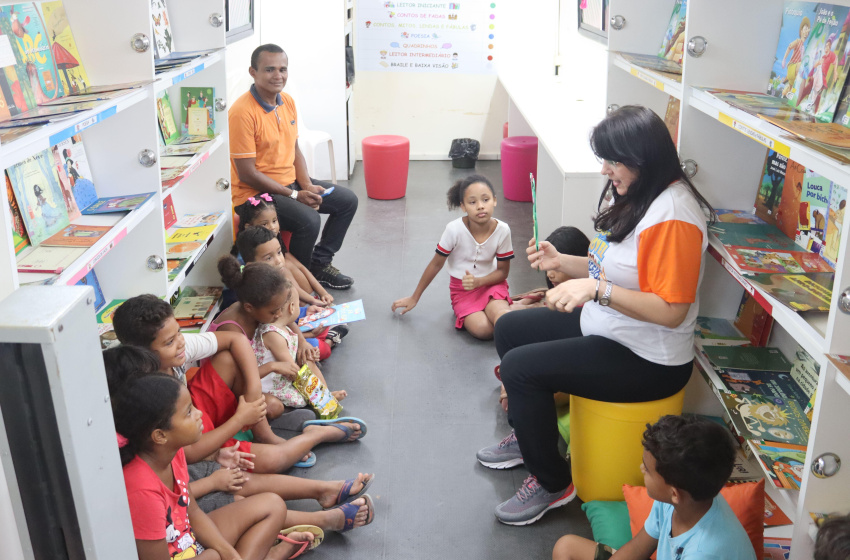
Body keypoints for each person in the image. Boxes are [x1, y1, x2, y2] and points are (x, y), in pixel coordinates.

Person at [477, 105, 714, 525]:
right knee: (511, 327)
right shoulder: (638, 195)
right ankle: (531, 436)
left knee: (520, 368)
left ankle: (552, 482)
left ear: (643, 158)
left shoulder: (674, 215)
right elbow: (615, 267)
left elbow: (672, 311)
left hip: (648, 358)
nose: (605, 169)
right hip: (611, 328)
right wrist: (563, 261)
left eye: (613, 160)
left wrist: (596, 290)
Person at [102, 346, 375, 535]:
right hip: (184, 504)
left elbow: (184, 461)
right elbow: (172, 498)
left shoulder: (146, 428)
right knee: (237, 495)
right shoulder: (130, 457)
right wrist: (213, 479)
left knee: (239, 477)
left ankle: (323, 490)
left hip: (192, 467)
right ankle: (323, 518)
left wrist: (213, 457)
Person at [112, 294, 363, 473]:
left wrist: (253, 395)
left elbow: (235, 340)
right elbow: (186, 453)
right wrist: (239, 420)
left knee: (227, 358)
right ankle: (316, 434)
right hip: (188, 440)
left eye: (178, 332)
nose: (180, 343)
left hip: (194, 416)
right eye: (169, 342)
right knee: (276, 460)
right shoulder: (143, 391)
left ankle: (263, 433)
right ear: (141, 352)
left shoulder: (178, 348)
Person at [111, 370, 319, 559]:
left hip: (189, 541)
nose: (199, 413)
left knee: (272, 505)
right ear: (160, 435)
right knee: (213, 556)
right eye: (188, 412)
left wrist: (229, 553)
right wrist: (216, 554)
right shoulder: (141, 490)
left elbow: (192, 512)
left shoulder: (172, 454)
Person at [229, 43, 358, 290]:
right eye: (269, 69)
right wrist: (296, 195)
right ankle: (297, 281)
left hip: (290, 185)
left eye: (282, 69)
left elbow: (294, 148)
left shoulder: (286, 101)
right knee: (309, 220)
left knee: (347, 201)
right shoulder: (241, 112)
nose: (278, 76)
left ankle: (318, 265)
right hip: (255, 194)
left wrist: (307, 184)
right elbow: (247, 173)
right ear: (252, 72)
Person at [552, 415, 755, 560]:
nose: (641, 469)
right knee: (566, 547)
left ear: (674, 493)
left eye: (647, 470)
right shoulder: (682, 499)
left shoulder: (704, 552)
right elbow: (638, 548)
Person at [391, 174, 514, 340]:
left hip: (492, 284)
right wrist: (415, 297)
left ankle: (510, 315)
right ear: (463, 206)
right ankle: (519, 305)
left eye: (485, 200)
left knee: (501, 316)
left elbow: (503, 272)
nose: (480, 206)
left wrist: (479, 282)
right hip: (462, 291)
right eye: (472, 202)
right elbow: (435, 264)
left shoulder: (503, 230)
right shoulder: (454, 230)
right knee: (484, 330)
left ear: (495, 200)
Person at [235, 226, 347, 361]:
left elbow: (285, 314)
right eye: (268, 258)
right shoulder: (258, 291)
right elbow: (276, 329)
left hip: (282, 323)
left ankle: (326, 331)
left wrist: (309, 308)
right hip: (274, 336)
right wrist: (305, 339)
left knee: (316, 316)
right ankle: (331, 340)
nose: (279, 260)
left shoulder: (275, 277)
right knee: (319, 349)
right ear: (250, 265)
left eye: (279, 252)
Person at [234, 194, 335, 307]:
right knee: (284, 268)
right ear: (249, 227)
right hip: (268, 297)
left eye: (274, 221)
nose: (272, 227)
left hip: (287, 292)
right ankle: (306, 307)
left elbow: (301, 267)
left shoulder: (273, 242)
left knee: (288, 264)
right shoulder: (250, 252)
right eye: (264, 224)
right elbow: (287, 284)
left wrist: (322, 293)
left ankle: (311, 305)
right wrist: (312, 301)